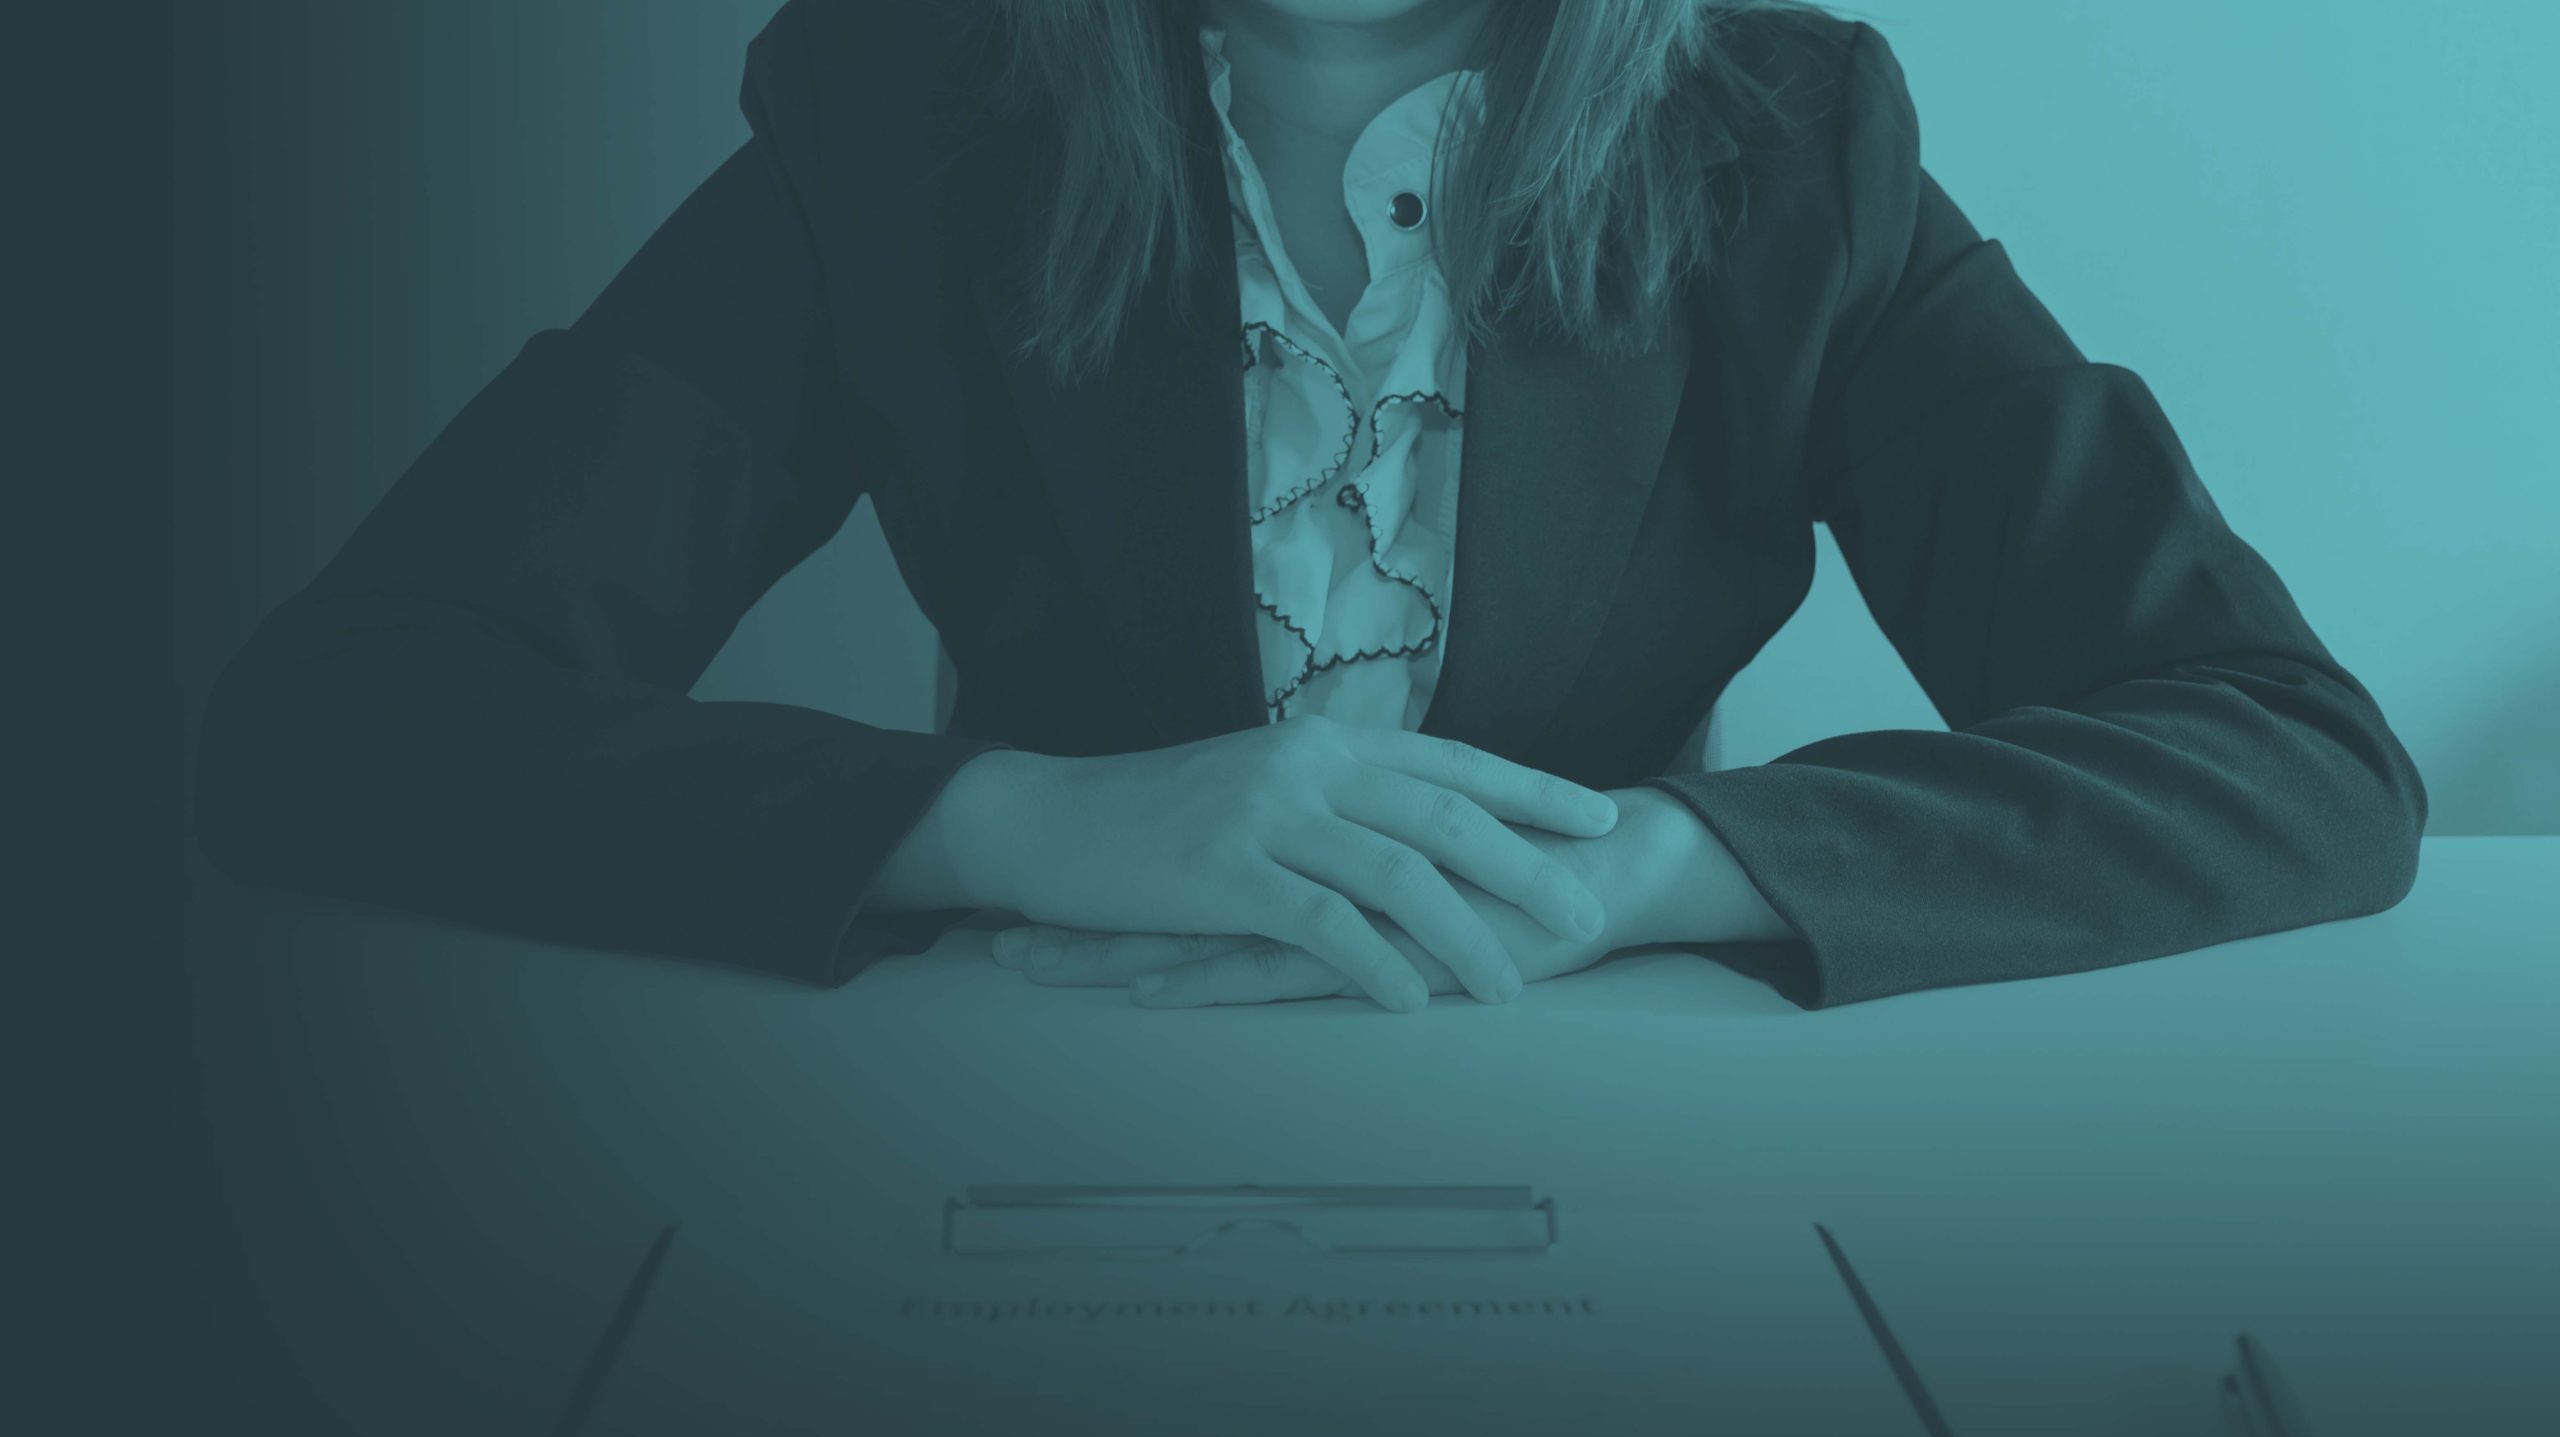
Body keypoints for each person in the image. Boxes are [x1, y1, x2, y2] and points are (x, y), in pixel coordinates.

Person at [193, 0, 2428, 1015]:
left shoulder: (1793, 133)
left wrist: (1658, 868)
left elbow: (2290, 759)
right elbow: (334, 718)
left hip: (1605, 1131)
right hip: (1020, 1103)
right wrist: (1010, 823)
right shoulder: (888, 97)